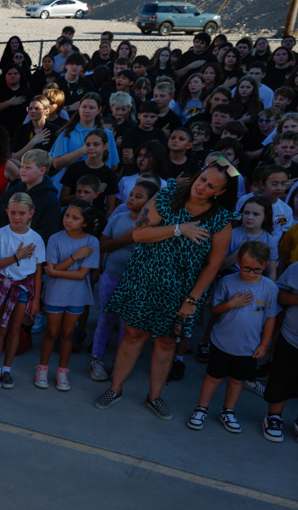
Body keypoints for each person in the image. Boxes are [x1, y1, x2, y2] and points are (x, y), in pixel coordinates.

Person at [94, 159, 238, 421]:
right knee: (132, 335)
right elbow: (138, 234)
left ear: (219, 192)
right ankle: (115, 389)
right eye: (202, 179)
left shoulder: (220, 220)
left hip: (181, 293)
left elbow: (214, 264)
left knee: (166, 342)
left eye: (210, 186)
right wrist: (178, 229)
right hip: (143, 282)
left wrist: (192, 300)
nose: (201, 186)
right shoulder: (169, 196)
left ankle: (154, 397)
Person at [187, 241, 279, 434]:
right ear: (238, 262)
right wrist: (231, 304)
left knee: (237, 381)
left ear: (265, 265)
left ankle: (228, 411)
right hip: (222, 342)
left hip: (248, 347)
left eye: (257, 269)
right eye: (246, 268)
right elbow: (214, 308)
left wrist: (264, 344)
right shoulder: (227, 282)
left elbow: (271, 318)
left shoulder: (270, 288)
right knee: (213, 377)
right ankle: (201, 409)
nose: (251, 273)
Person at [89, 179, 161, 381]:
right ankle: (97, 358)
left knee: (127, 325)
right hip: (111, 277)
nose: (131, 199)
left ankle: (119, 362)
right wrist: (126, 239)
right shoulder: (119, 218)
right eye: (131, 194)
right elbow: (102, 246)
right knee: (106, 318)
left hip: (137, 285)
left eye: (139, 197)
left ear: (151, 203)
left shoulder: (157, 225)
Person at [35, 201, 100, 392]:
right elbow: (52, 270)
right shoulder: (55, 239)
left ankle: (62, 371)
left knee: (68, 335)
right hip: (55, 295)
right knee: (51, 333)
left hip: (76, 296)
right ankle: (42, 369)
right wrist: (74, 258)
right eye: (67, 216)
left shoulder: (91, 242)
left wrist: (56, 271)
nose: (68, 220)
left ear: (85, 223)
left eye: (75, 217)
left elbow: (81, 275)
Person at [0, 192, 45, 389]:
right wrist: (17, 257)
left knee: (15, 330)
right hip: (3, 286)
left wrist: (35, 300)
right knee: (0, 329)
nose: (17, 217)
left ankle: (7, 369)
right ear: (7, 212)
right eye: (13, 213)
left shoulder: (36, 239)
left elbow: (37, 271)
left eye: (22, 213)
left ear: (31, 213)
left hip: (23, 290)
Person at [260, 257, 298, 441]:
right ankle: (274, 416)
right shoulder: (296, 268)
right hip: (292, 338)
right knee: (281, 379)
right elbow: (280, 295)